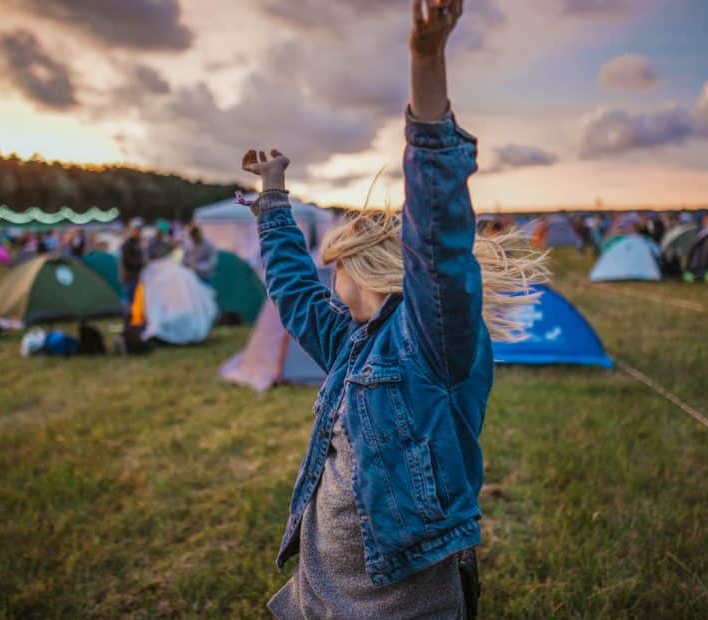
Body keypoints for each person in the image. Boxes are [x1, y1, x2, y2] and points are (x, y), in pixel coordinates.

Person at [242, 2, 548, 617]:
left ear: (371, 267)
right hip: (319, 597)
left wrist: (425, 62)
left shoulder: (431, 344)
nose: (330, 277)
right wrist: (274, 200)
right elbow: (295, 295)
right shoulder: (353, 341)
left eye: (338, 263)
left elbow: (437, 229)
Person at [119, 218, 145, 311]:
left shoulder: (138, 243)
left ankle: (133, 319)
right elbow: (128, 261)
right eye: (137, 230)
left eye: (139, 230)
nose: (138, 232)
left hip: (136, 277)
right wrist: (142, 262)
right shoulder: (127, 244)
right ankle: (127, 318)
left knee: (135, 299)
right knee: (128, 299)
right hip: (129, 277)